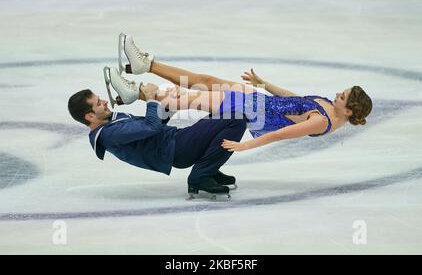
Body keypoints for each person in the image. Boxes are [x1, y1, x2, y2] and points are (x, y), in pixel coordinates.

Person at [108, 34, 372, 153]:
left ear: (348, 111)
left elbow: (278, 134)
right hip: (260, 101)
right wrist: (264, 83)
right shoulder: (328, 108)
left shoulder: (321, 122)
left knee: (185, 98)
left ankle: (137, 93)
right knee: (204, 80)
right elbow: (296, 100)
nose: (337, 93)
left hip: (253, 111)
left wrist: (246, 145)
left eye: (342, 96)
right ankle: (146, 65)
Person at [67, 82, 247, 199]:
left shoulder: (111, 123)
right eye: (99, 103)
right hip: (178, 148)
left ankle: (209, 168)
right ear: (90, 116)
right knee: (236, 118)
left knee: (223, 112)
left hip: (177, 142)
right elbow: (150, 127)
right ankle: (201, 176)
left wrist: (170, 104)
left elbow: (154, 125)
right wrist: (151, 100)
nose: (105, 101)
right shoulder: (109, 134)